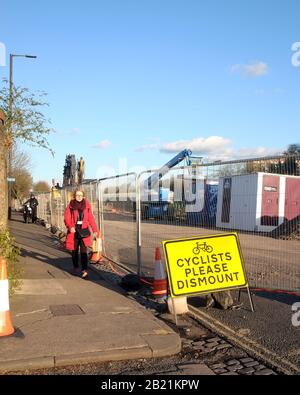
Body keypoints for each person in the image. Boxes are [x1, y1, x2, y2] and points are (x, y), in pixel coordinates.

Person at [64, 189, 99, 279]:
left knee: (84, 251)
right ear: (74, 196)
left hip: (84, 230)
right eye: (77, 195)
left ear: (84, 196)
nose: (79, 197)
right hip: (74, 231)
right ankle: (76, 267)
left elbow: (90, 218)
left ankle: (84, 270)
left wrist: (95, 230)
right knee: (74, 251)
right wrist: (70, 227)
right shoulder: (70, 205)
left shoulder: (87, 205)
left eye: (80, 195)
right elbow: (67, 218)